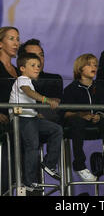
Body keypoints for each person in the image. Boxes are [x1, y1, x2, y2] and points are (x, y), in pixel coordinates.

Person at [9, 52, 63, 193]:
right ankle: (29, 181)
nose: (37, 68)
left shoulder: (29, 81)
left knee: (56, 129)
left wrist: (36, 112)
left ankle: (49, 163)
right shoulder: (22, 79)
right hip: (21, 118)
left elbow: (28, 98)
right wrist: (46, 100)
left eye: (38, 65)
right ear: (22, 68)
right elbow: (27, 92)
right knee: (32, 146)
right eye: (32, 65)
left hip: (31, 117)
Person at [62, 53, 104, 182]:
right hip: (78, 123)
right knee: (77, 122)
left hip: (96, 122)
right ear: (80, 68)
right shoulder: (70, 89)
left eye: (95, 64)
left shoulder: (99, 88)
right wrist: (82, 115)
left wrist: (99, 115)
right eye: (89, 64)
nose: (94, 67)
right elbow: (65, 113)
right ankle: (80, 165)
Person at [18, 38, 63, 123]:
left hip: (48, 122)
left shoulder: (54, 79)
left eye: (41, 55)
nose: (39, 59)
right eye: (33, 56)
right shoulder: (17, 79)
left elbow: (54, 103)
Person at [0, 26, 20, 194]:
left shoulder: (17, 70)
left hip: (18, 121)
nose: (16, 43)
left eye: (17, 39)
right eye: (11, 39)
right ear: (0, 43)